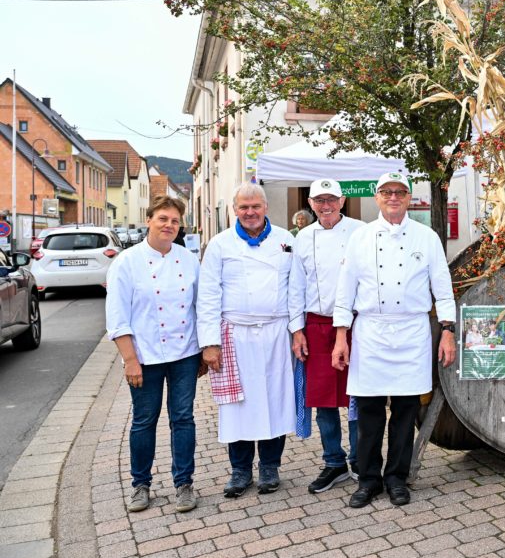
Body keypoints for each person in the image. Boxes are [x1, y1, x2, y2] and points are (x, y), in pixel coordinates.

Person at [332, 172, 457, 508]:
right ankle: (369, 480)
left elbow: (442, 289)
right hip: (370, 332)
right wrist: (340, 337)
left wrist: (448, 331)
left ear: (409, 197)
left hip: (412, 333)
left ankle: (397, 478)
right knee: (369, 414)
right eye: (386, 192)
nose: (393, 197)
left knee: (405, 413)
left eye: (400, 192)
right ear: (377, 197)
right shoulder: (360, 238)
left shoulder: (426, 237)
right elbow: (345, 290)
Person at [197, 183, 301, 498]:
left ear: (265, 207)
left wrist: (298, 331)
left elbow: (295, 291)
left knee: (275, 402)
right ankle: (240, 471)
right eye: (244, 207)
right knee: (237, 407)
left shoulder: (286, 240)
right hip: (235, 336)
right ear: (234, 210)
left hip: (275, 334)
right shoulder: (219, 245)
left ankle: (270, 467)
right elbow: (208, 295)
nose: (250, 212)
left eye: (255, 206)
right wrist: (209, 342)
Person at [105, 196, 202, 513]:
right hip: (144, 356)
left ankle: (184, 484)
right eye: (163, 218)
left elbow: (200, 307)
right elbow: (117, 316)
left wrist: (202, 350)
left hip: (184, 353)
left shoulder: (188, 260)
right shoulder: (127, 262)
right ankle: (140, 485)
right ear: (149, 220)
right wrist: (129, 359)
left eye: (174, 221)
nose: (169, 225)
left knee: (183, 418)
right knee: (144, 421)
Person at [289, 178, 364, 493]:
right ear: (311, 203)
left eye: (331, 198)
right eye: (319, 200)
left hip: (357, 324)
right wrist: (296, 330)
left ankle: (361, 461)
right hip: (316, 325)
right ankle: (334, 462)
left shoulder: (362, 231)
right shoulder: (303, 238)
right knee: (323, 400)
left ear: (343, 201)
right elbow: (296, 286)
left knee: (360, 395)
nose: (326, 205)